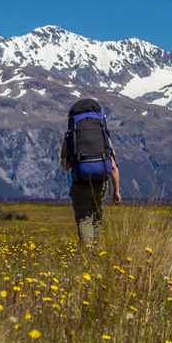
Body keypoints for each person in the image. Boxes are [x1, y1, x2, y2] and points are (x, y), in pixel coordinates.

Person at [59, 99, 121, 245]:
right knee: (97, 219)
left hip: (80, 183)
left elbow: (65, 165)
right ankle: (96, 253)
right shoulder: (103, 135)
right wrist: (116, 190)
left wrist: (76, 161)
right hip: (100, 183)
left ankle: (87, 253)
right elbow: (113, 167)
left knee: (83, 219)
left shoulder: (71, 136)